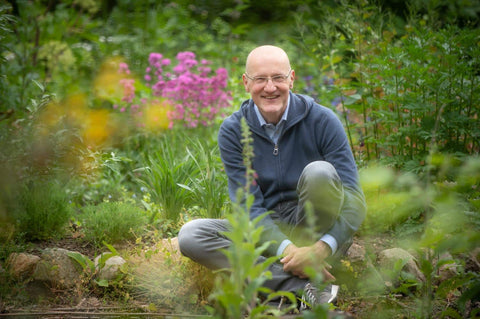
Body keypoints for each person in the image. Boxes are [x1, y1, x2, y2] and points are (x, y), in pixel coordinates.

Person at [178, 45, 366, 309]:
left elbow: (355, 200)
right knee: (191, 235)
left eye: (278, 78)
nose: (270, 87)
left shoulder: (323, 121)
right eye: (260, 79)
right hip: (265, 233)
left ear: (292, 78)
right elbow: (248, 209)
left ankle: (280, 281)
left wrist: (320, 249)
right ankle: (305, 286)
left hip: (315, 226)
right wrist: (289, 250)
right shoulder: (234, 130)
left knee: (319, 173)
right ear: (246, 82)